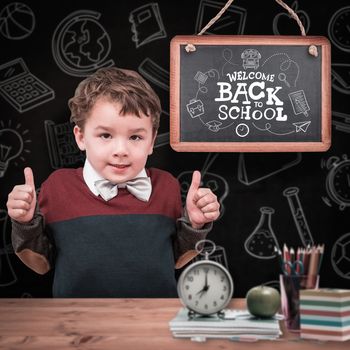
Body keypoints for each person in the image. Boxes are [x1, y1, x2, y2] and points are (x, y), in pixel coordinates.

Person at [6, 67, 220, 297]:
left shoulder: (166, 186)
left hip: (153, 320)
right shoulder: (58, 187)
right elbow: (41, 264)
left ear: (151, 141)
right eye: (106, 135)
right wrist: (25, 224)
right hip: (76, 322)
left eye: (135, 137)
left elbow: (177, 260)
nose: (121, 151)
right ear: (81, 137)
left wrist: (195, 226)